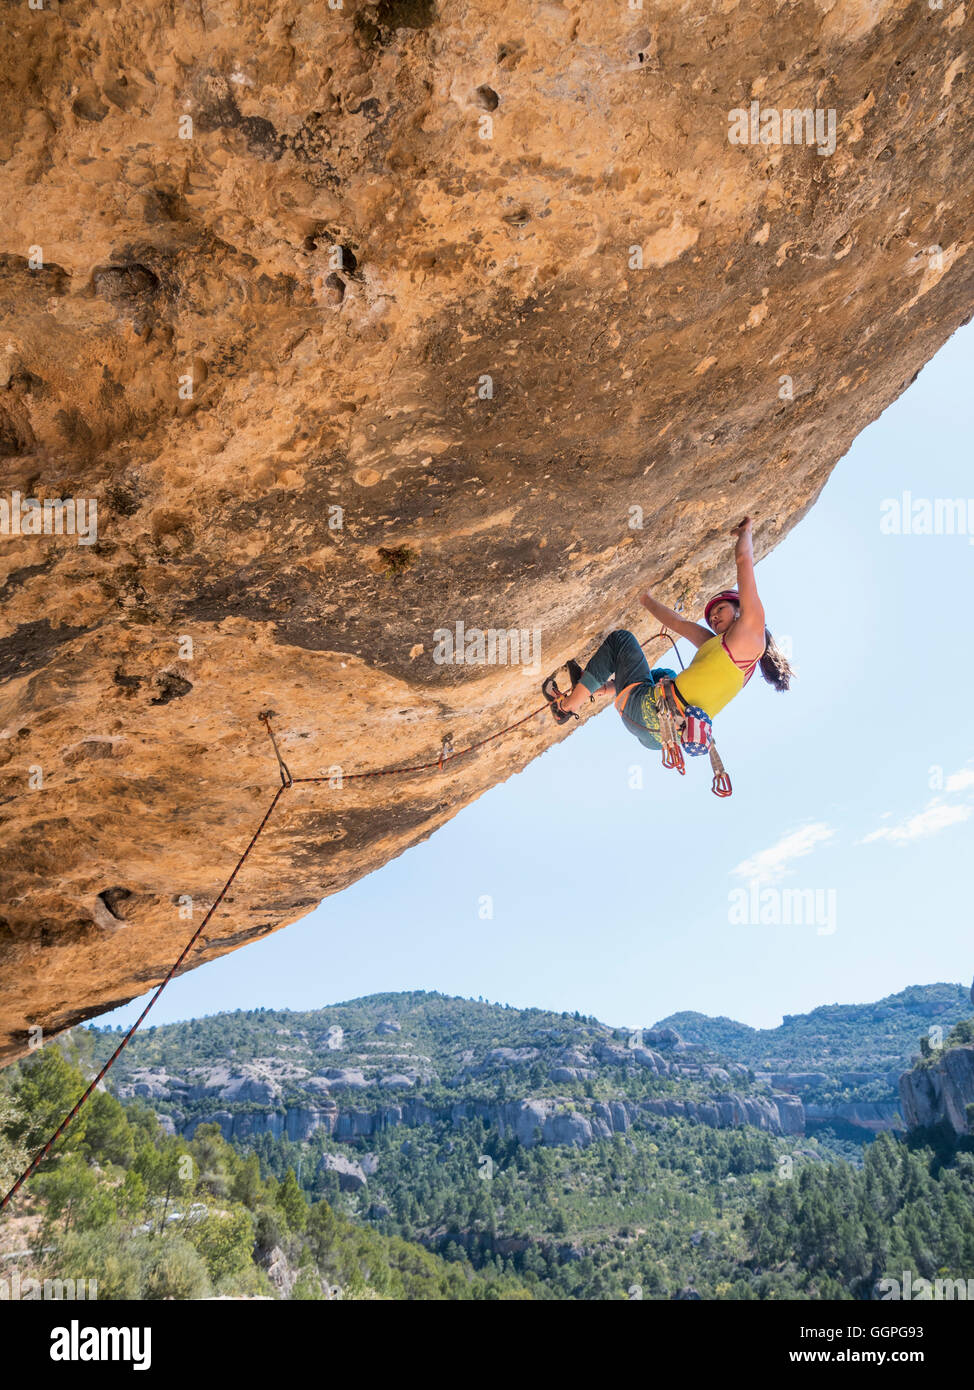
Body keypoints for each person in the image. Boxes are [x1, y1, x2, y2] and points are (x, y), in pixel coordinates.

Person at [543, 516, 793, 753]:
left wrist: (746, 532)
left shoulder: (751, 630)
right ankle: (599, 690)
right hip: (659, 738)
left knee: (621, 641)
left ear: (739, 611)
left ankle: (565, 707)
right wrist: (644, 598)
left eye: (720, 609)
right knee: (667, 675)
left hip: (647, 711)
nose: (713, 618)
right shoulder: (722, 647)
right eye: (711, 616)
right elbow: (678, 623)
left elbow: (744, 561)